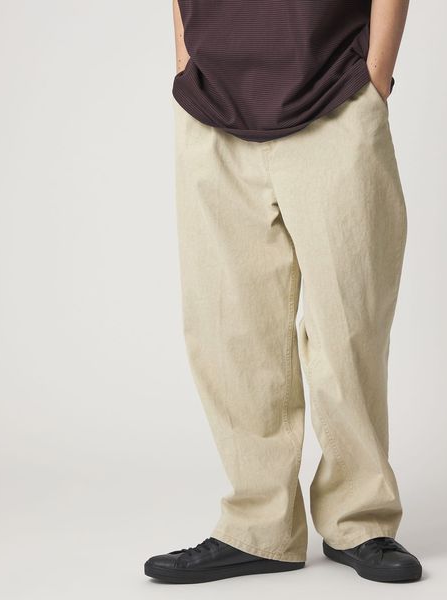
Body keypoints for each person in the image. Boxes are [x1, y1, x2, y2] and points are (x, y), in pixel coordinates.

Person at [145, 0, 422, 584]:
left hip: (336, 96)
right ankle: (258, 527)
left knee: (348, 325)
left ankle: (359, 520)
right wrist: (186, 58)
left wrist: (375, 77)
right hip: (211, 102)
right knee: (229, 330)